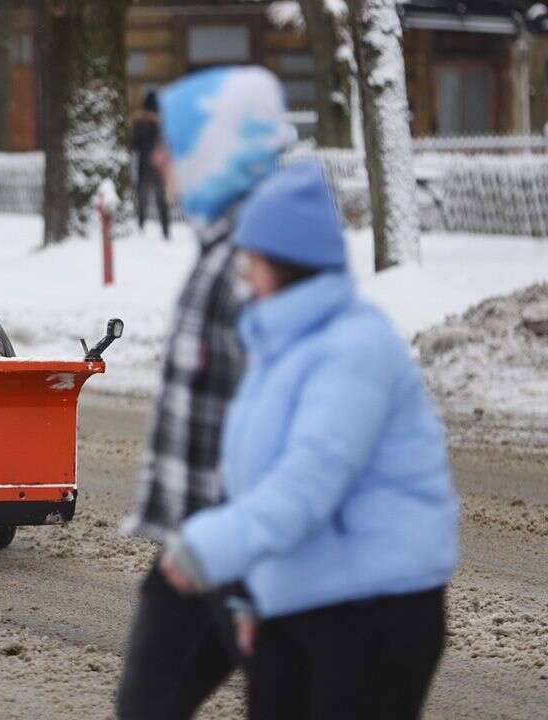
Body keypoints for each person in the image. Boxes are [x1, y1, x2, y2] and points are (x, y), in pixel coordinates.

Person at [159, 160, 458, 720]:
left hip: (374, 613)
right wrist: (254, 592)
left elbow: (309, 483)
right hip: (299, 606)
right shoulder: (277, 345)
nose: (241, 272)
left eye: (251, 257)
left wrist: (210, 549)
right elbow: (258, 481)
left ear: (286, 260)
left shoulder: (353, 347)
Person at [116, 66, 297, 720]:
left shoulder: (260, 264)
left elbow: (296, 436)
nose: (159, 156)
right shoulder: (223, 248)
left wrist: (258, 586)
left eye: (175, 142)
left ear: (217, 152)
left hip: (250, 559)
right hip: (193, 556)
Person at [130, 90, 170, 240]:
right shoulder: (161, 123)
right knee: (162, 201)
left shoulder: (139, 123)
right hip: (158, 167)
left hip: (143, 166)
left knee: (142, 201)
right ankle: (166, 231)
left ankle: (141, 229)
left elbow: (133, 145)